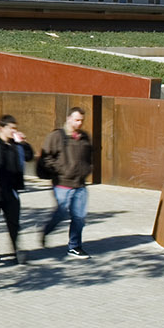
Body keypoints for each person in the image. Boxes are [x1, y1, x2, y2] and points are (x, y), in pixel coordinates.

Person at [38, 106, 95, 259]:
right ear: (69, 118)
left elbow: (90, 157)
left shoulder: (84, 137)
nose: (79, 123)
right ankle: (46, 230)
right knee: (61, 213)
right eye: (76, 120)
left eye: (82, 120)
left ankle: (74, 247)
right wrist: (61, 169)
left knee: (79, 217)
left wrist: (88, 169)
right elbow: (46, 157)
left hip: (80, 184)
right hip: (62, 183)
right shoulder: (57, 136)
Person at [0, 115, 30, 263]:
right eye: (11, 128)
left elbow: (29, 156)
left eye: (15, 128)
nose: (14, 131)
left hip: (11, 190)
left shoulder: (16, 145)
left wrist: (23, 143)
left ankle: (17, 250)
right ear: (2, 128)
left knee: (14, 222)